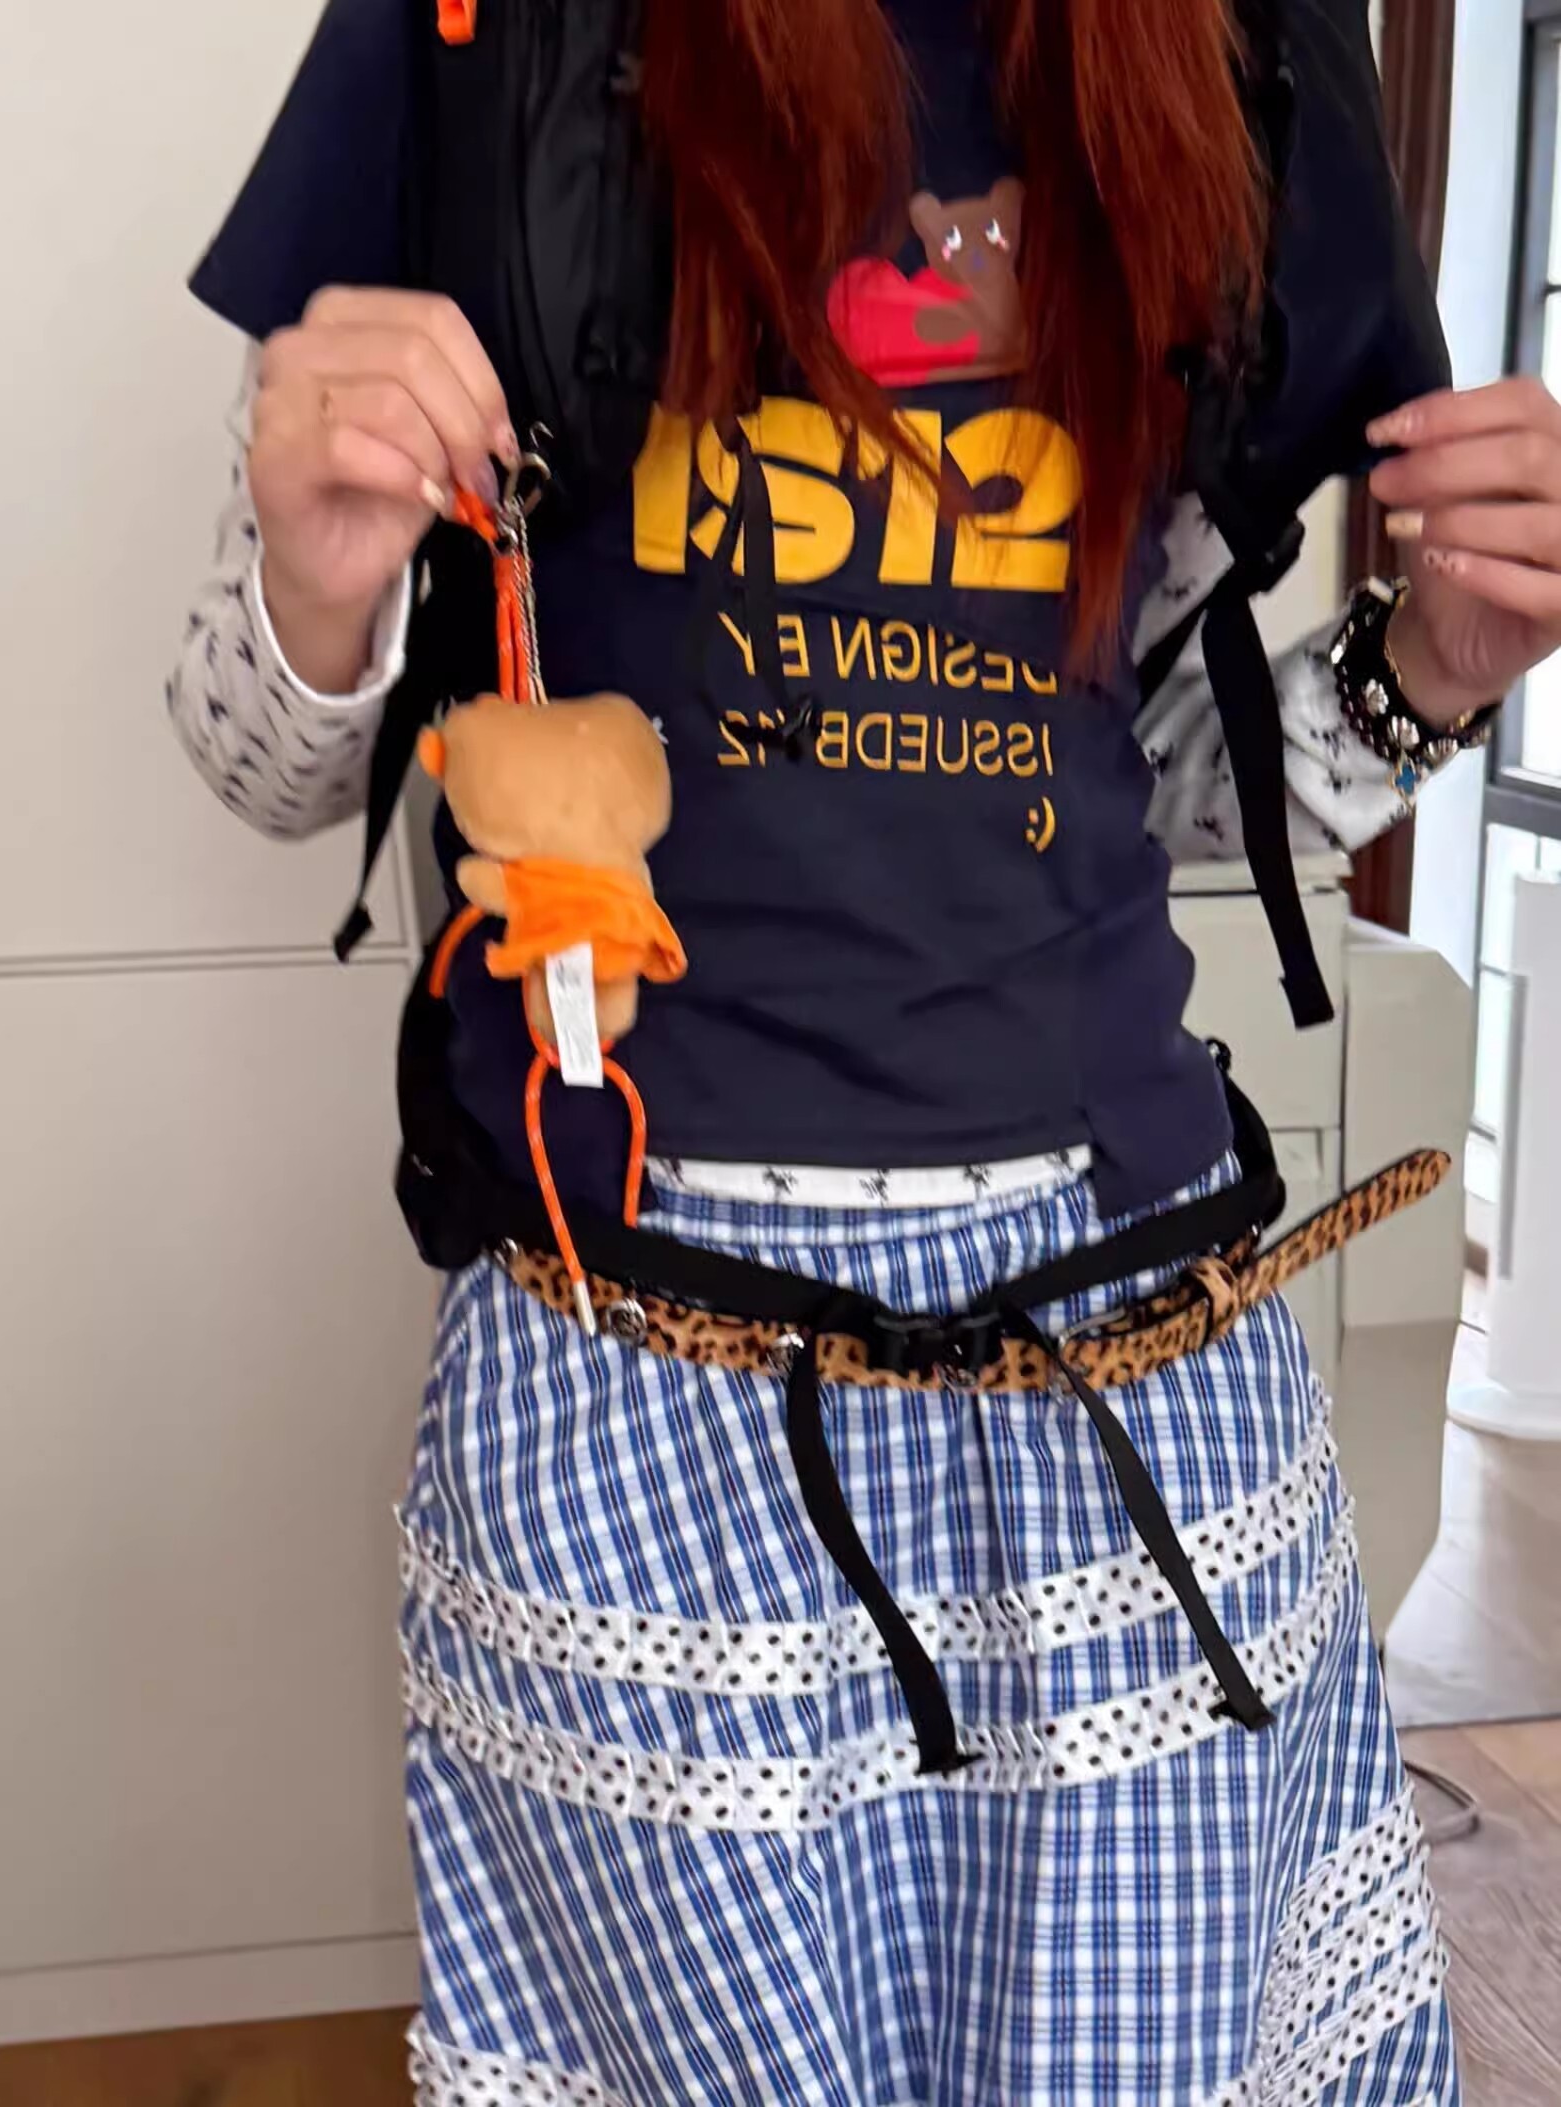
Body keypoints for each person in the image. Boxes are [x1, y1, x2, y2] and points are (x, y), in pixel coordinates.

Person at [171, 1, 1561, 2099]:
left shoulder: (1230, 63)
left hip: (1125, 1360)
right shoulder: (490, 36)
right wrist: (313, 584)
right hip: (640, 1376)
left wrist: (1436, 668)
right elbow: (263, 756)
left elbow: (1160, 787)